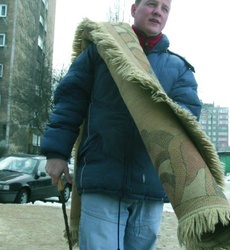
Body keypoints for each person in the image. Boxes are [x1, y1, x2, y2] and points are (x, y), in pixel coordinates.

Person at [40, 0, 201, 249]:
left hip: (151, 185)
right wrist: (56, 153)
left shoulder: (180, 69)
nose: (158, 11)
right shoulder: (100, 51)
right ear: (134, 10)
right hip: (101, 177)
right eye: (151, 4)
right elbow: (69, 103)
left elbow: (186, 123)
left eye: (165, 8)